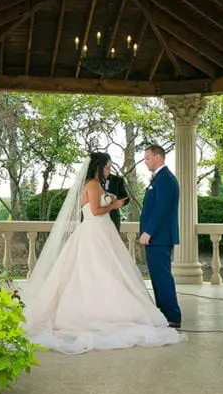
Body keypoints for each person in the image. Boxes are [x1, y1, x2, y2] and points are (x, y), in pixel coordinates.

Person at [22, 152, 185, 355]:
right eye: (107, 167)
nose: (109, 170)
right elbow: (96, 210)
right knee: (95, 271)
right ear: (98, 167)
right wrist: (113, 205)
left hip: (103, 231)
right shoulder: (92, 183)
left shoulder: (99, 184)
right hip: (94, 231)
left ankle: (163, 312)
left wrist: (111, 200)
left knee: (113, 270)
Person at [139, 144, 182, 328]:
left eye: (147, 157)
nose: (145, 161)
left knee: (162, 277)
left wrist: (148, 231)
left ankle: (172, 316)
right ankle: (164, 314)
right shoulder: (159, 179)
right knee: (157, 277)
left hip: (159, 237)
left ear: (158, 157)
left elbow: (161, 209)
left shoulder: (165, 179)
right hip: (157, 237)